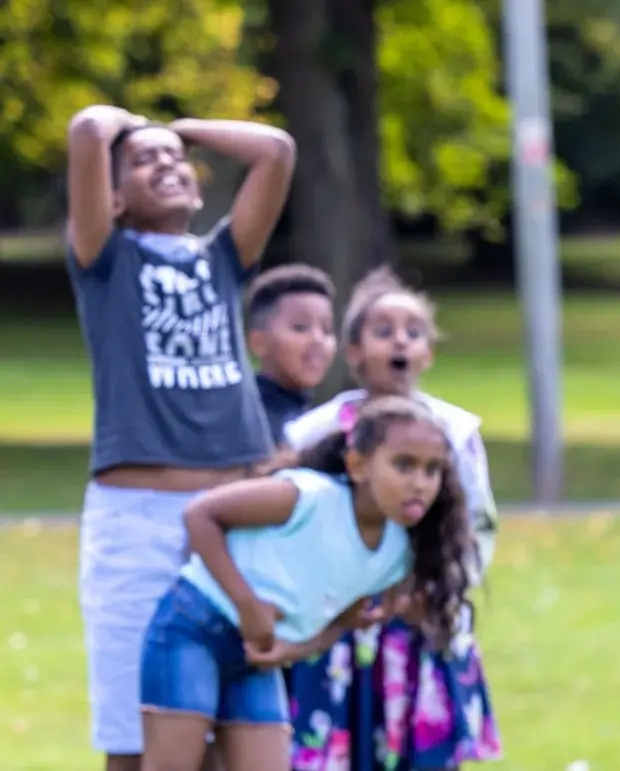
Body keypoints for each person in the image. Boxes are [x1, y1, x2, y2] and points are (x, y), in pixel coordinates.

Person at [64, 104, 296, 771]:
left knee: (238, 726)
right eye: (145, 161)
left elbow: (275, 150)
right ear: (113, 196)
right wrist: (133, 123)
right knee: (139, 740)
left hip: (232, 523)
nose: (167, 164)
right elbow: (86, 131)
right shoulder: (105, 261)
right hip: (137, 525)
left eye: (177, 159)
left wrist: (178, 130)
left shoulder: (224, 258)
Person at [138, 395, 477, 771]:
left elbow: (343, 620)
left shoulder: (397, 552)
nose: (420, 484)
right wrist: (247, 605)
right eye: (404, 465)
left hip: (254, 658)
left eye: (433, 470)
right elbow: (200, 515)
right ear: (358, 465)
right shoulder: (307, 497)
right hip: (193, 629)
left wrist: (293, 651)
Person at [280, 266, 503, 770]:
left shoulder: (455, 432)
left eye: (413, 331)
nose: (399, 341)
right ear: (353, 350)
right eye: (382, 331)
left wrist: (442, 586)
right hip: (336, 625)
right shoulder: (316, 431)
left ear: (427, 352)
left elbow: (479, 525)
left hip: (419, 622)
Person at [244, 264, 337, 446]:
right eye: (300, 327)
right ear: (258, 343)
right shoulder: (245, 415)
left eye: (327, 330)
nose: (318, 339)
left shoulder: (315, 416)